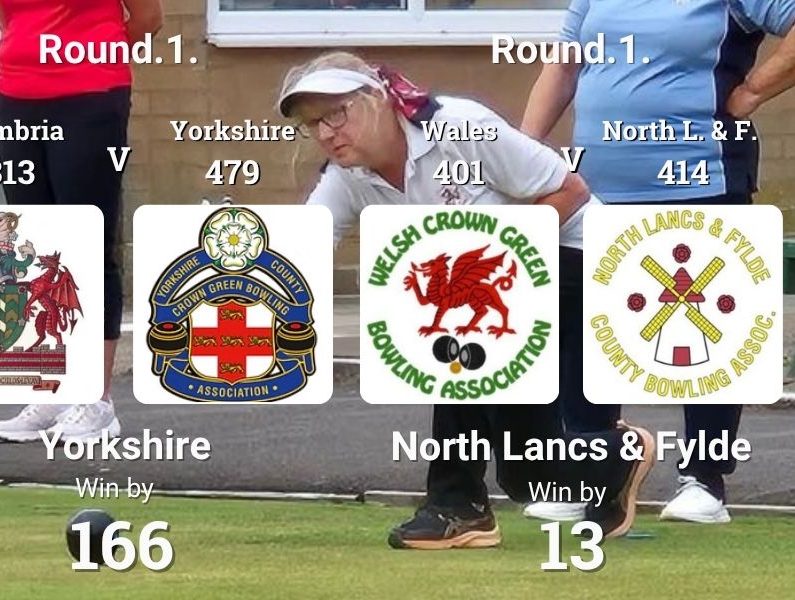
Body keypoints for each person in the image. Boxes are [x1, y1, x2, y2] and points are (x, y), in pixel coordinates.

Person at [277, 51, 656, 549]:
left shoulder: (460, 126)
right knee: (529, 473)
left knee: (459, 332)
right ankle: (613, 460)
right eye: (313, 124)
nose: (326, 133)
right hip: (506, 282)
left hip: (582, 257)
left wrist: (490, 254)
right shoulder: (346, 177)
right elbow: (300, 251)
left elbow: (570, 191)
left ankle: (456, 504)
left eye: (336, 114)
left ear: (377, 99)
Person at [521, 0, 795, 524]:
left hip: (701, 177)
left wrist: (753, 91)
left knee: (703, 329)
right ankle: (590, 472)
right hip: (596, 188)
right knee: (587, 332)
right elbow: (563, 65)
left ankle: (705, 482)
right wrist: (524, 152)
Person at [0, 0, 163, 443]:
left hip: (90, 97)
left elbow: (148, 20)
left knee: (87, 246)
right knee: (38, 250)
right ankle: (56, 389)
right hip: (16, 96)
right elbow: (7, 16)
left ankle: (96, 402)